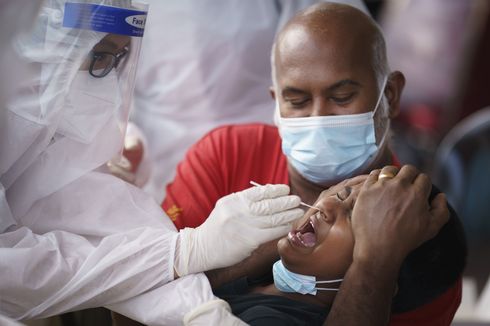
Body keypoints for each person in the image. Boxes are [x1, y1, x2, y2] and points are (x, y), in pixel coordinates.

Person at [0, 1, 304, 325]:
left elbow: (116, 235)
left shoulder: (40, 134)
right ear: (39, 46)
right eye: (100, 56)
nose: (106, 80)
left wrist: (202, 311)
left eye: (120, 58)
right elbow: (13, 272)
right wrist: (181, 252)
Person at [162, 2, 463, 324]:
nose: (318, 118)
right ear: (276, 102)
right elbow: (148, 285)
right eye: (297, 101)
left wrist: (374, 263)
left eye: (342, 97)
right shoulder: (226, 154)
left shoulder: (422, 235)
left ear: (388, 95)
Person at [129, 0, 369, 202]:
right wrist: (122, 138)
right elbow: (107, 83)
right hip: (159, 176)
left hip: (277, 170)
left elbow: (349, 54)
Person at [215, 165, 467, 325]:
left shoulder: (274, 320)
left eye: (355, 218)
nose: (325, 204)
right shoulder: (253, 279)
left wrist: (375, 262)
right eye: (341, 194)